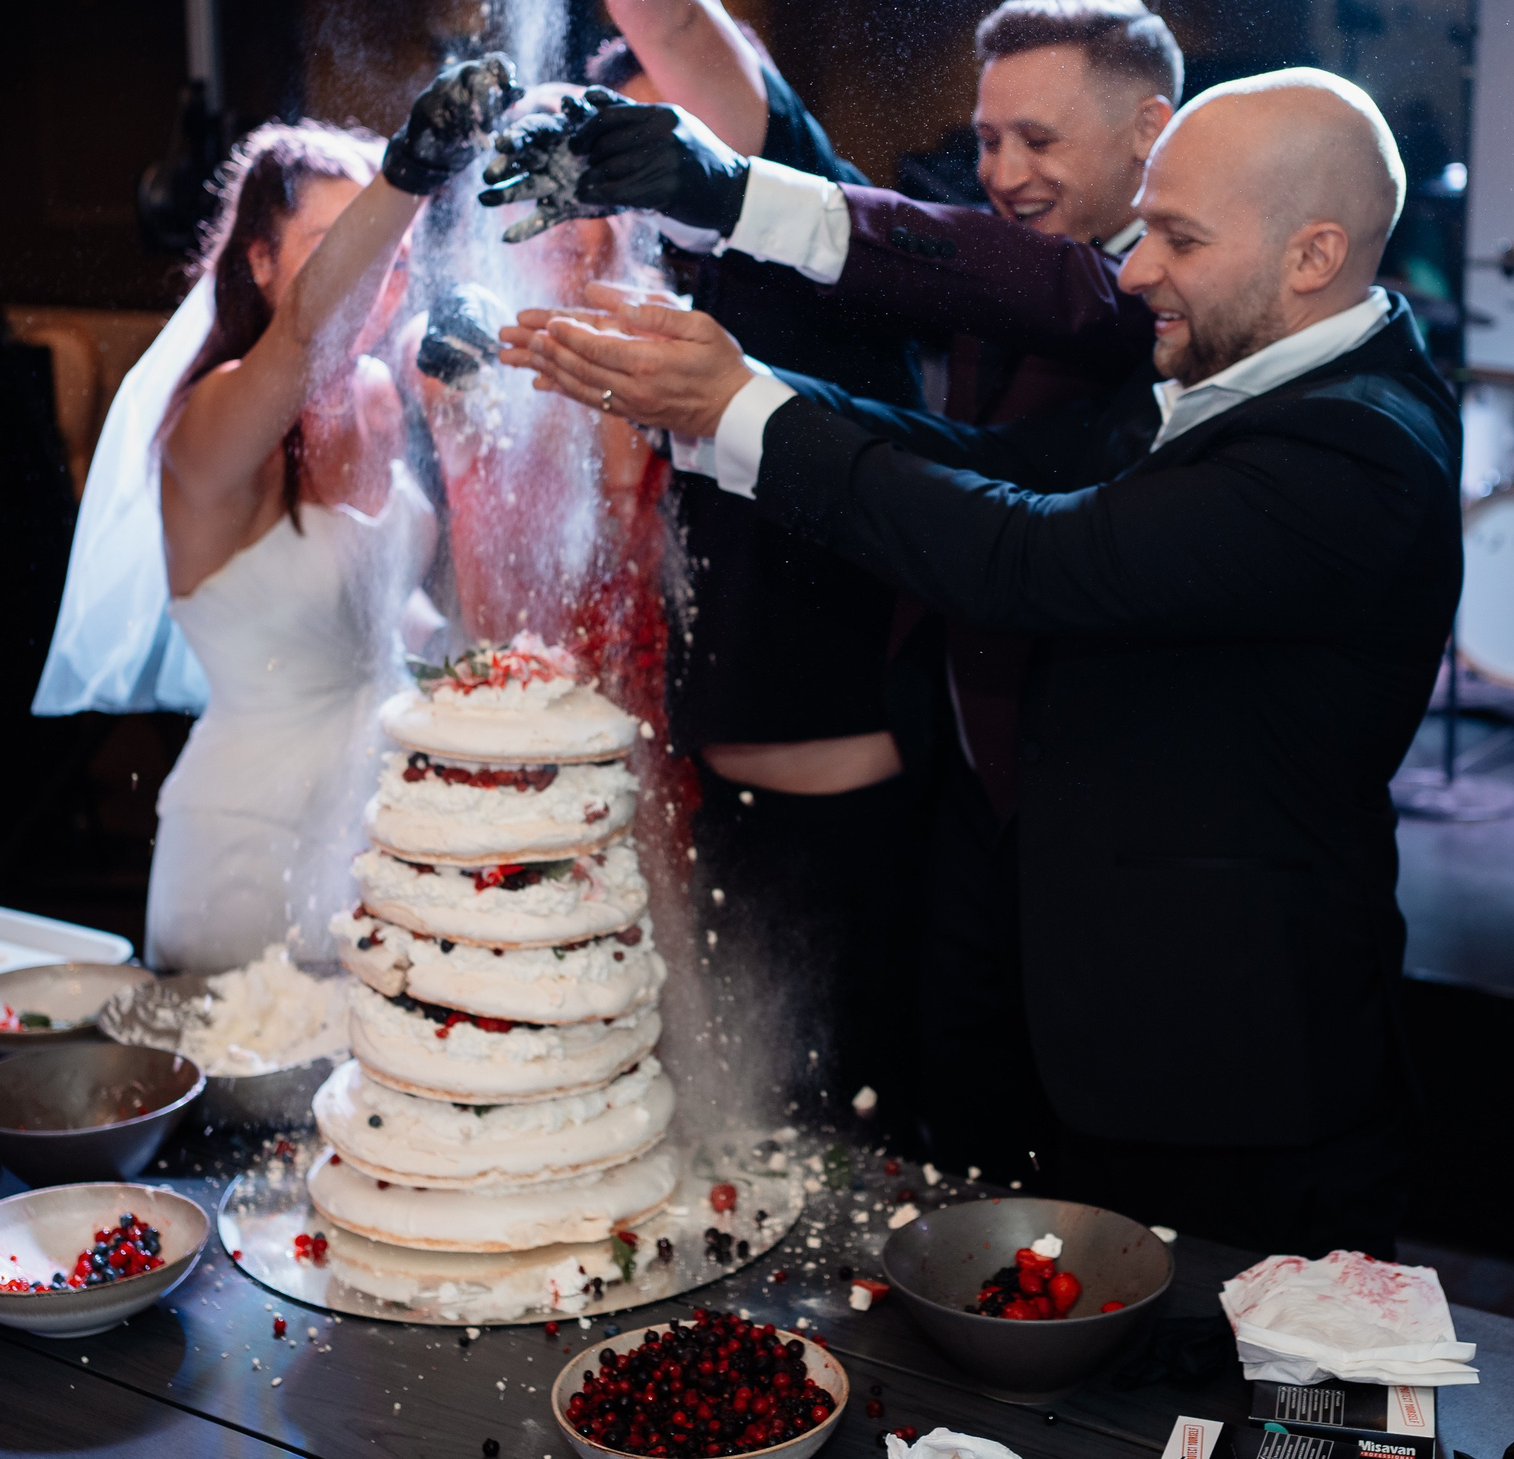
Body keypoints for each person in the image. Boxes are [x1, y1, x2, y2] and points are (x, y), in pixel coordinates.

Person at [499, 69, 1462, 1259]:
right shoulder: (1232, 373)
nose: (1136, 269)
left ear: (1312, 255)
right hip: (1103, 1010)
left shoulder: (1351, 449)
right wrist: (717, 408)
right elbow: (992, 463)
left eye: (1176, 236)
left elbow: (1031, 557)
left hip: (1232, 1070)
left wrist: (744, 406)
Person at [525, 0, 1169, 1130]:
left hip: (925, 799)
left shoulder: (833, 258)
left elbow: (677, 7)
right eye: (985, 135)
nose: (998, 169)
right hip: (748, 793)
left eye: (1031, 136)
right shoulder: (656, 293)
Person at [35, 58, 516, 972]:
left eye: (395, 257)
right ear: (259, 260)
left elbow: (388, 622)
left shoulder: (381, 395)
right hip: (245, 856)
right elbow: (301, 336)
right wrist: (410, 173)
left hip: (380, 846)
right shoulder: (216, 415)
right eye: (348, 246)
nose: (381, 276)